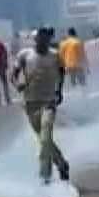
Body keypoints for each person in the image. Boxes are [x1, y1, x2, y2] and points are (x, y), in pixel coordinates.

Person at [14, 28, 69, 184]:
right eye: (39, 38)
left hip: (49, 102)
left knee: (45, 137)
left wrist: (59, 91)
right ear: (35, 39)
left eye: (45, 39)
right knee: (44, 141)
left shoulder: (55, 55)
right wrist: (18, 83)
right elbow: (14, 73)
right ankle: (62, 164)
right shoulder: (25, 55)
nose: (42, 41)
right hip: (30, 103)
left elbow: (62, 72)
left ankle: (45, 175)